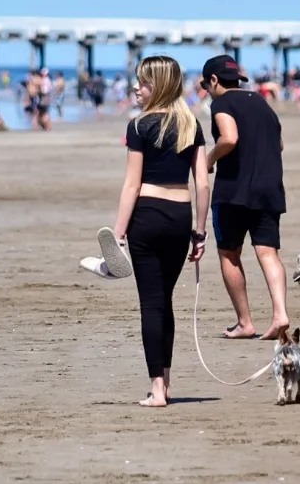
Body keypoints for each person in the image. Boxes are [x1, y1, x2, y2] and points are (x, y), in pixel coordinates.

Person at [90, 55, 210, 408]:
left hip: (147, 216)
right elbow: (202, 185)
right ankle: (166, 383)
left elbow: (132, 184)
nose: (135, 89)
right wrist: (200, 232)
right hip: (178, 217)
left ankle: (157, 389)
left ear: (157, 86)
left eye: (141, 83)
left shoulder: (139, 126)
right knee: (165, 303)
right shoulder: (192, 125)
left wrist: (117, 235)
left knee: (151, 304)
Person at [203, 54, 290, 341]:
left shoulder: (221, 102)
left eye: (206, 85)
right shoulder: (261, 103)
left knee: (229, 253)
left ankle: (245, 323)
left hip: (233, 191)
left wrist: (209, 159)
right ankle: (280, 314)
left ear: (214, 80)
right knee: (268, 252)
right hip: (269, 187)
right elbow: (278, 144)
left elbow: (229, 137)